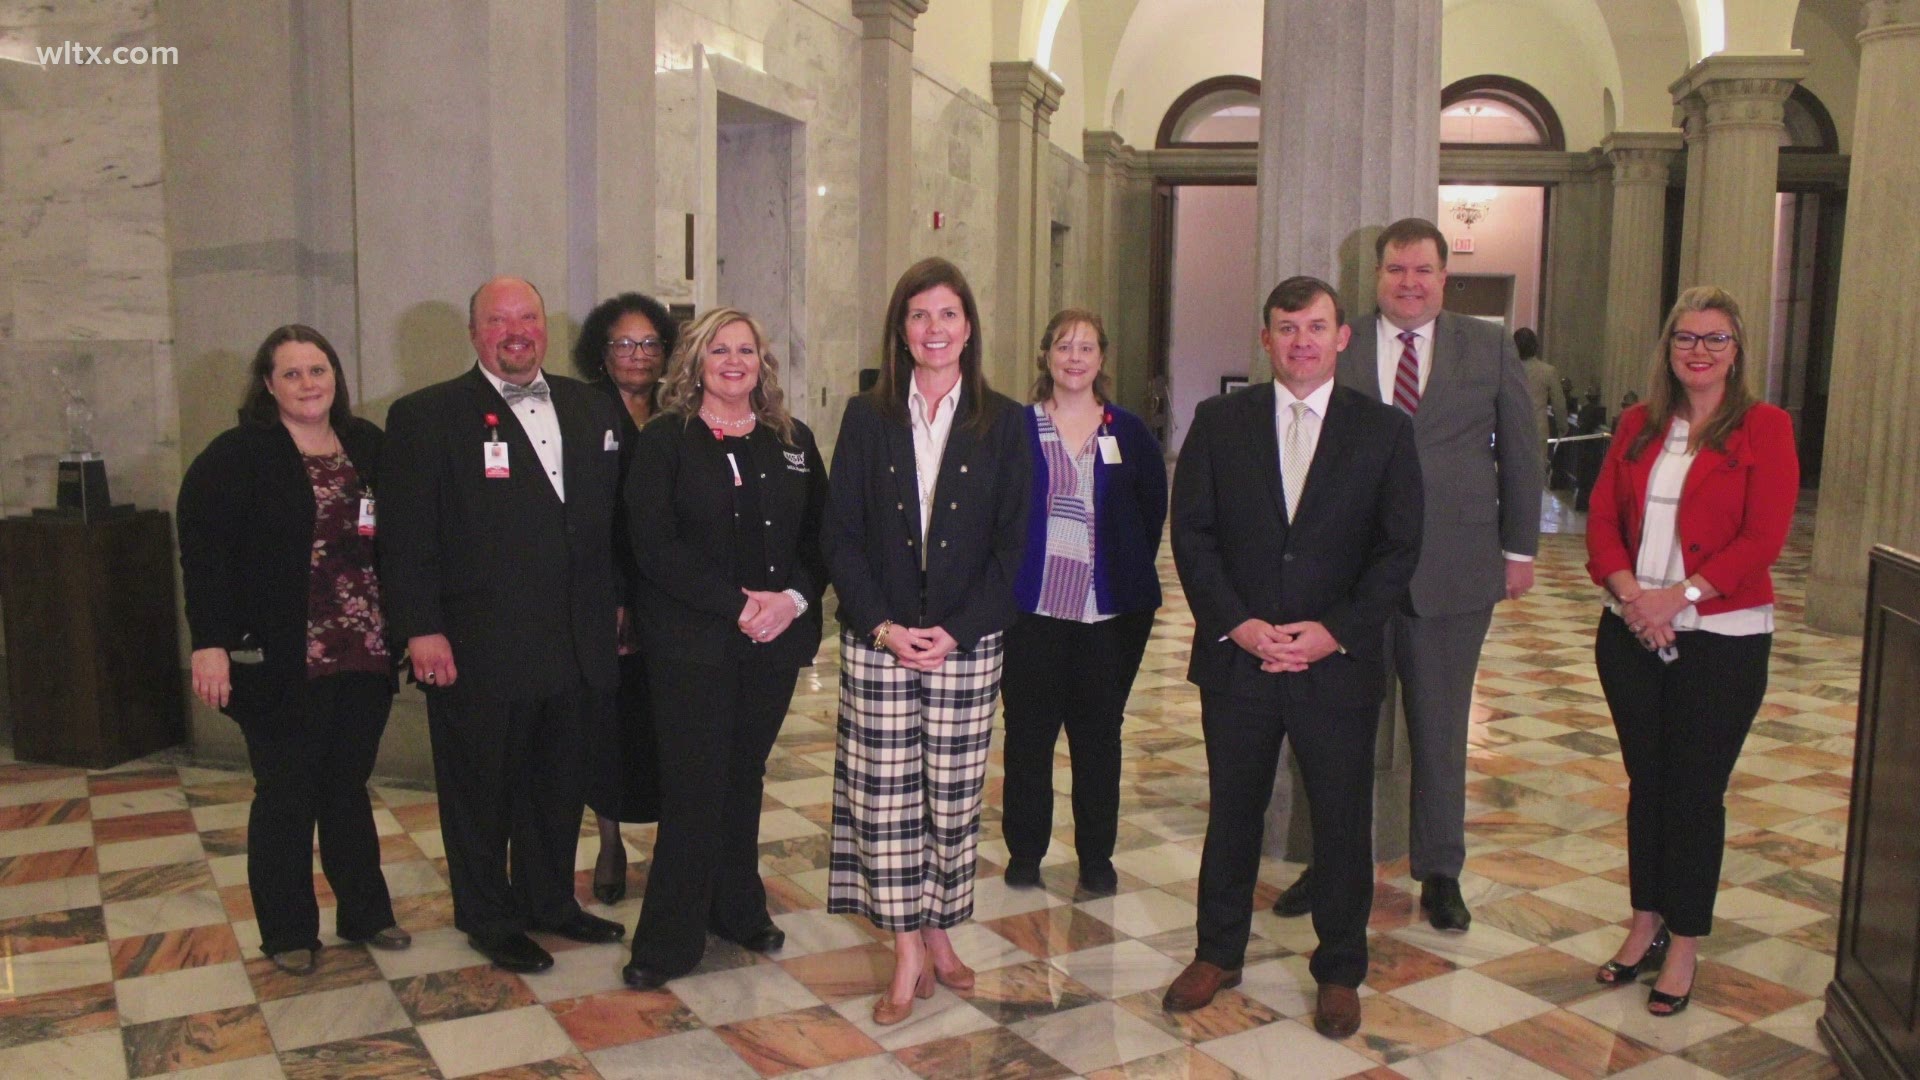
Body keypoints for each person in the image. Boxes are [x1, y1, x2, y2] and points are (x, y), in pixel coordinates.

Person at [1166, 277, 1422, 1038]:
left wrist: (1333, 631)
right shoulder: (1219, 422)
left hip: (1335, 663)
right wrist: (1239, 625)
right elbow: (1194, 536)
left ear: (1343, 337)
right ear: (1267, 338)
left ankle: (1340, 969)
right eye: (1287, 328)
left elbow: (1397, 548)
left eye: (1316, 327)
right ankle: (1218, 953)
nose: (1302, 341)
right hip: (1239, 660)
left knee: (1342, 823)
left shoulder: (1383, 432)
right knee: (1234, 814)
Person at [1276, 218, 1541, 931]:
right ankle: (1326, 861)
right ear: (1378, 275)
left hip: (1453, 573)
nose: (1409, 283)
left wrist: (1521, 550)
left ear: (1443, 276)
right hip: (1350, 576)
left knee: (1441, 727)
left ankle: (1441, 871)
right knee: (1334, 730)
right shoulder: (1342, 341)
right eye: (1396, 270)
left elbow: (1521, 450)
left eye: (1423, 270)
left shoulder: (1485, 345)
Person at [380, 277, 628, 973]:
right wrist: (420, 628)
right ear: (474, 332)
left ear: (545, 328)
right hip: (478, 645)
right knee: (481, 790)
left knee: (558, 785)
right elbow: (404, 538)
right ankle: (489, 916)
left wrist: (619, 608)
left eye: (527, 317)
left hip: (576, 643)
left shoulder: (592, 408)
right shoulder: (426, 417)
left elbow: (608, 524)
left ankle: (550, 903)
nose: (514, 330)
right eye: (498, 319)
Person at [826, 257, 1031, 1026]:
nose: (934, 329)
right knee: (884, 801)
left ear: (968, 327)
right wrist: (881, 624)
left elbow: (1016, 542)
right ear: (900, 330)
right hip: (878, 640)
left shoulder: (1005, 421)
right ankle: (906, 946)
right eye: (919, 316)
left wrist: (958, 628)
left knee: (949, 799)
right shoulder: (865, 415)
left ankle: (941, 926)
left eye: (948, 314)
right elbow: (840, 535)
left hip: (965, 643)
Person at [1585, 286, 1798, 1016]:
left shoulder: (1765, 428)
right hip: (1630, 630)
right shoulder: (1640, 425)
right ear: (1668, 347)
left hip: (1723, 639)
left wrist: (1678, 597)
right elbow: (1602, 521)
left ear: (1737, 351)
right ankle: (1643, 922)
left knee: (1694, 792)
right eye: (1686, 338)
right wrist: (1631, 596)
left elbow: (1763, 537)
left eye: (1715, 339)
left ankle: (1684, 943)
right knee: (1648, 784)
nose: (1699, 351)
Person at [178, 325, 410, 975]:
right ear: (268, 385)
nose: (309, 384)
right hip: (280, 655)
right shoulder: (236, 455)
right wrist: (210, 644)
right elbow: (206, 559)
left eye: (319, 370)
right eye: (292, 373)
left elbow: (401, 537)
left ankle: (365, 912)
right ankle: (286, 931)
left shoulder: (368, 444)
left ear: (336, 376)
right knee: (286, 792)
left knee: (345, 785)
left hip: (362, 647)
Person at [620, 308, 829, 988]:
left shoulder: (793, 440)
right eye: (719, 350)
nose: (734, 361)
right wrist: (739, 605)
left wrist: (791, 601)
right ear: (696, 363)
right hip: (693, 644)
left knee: (744, 776)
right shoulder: (665, 439)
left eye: (746, 349)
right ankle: (668, 941)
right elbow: (653, 546)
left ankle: (737, 908)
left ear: (762, 362)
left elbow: (822, 539)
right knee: (695, 784)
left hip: (772, 643)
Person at [1000, 308, 1166, 896]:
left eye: (1087, 347)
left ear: (1102, 359)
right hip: (1031, 612)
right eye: (1064, 346)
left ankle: (1096, 856)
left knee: (1099, 738)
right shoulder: (1014, 429)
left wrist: (1118, 568)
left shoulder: (1129, 432)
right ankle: (1026, 853)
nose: (1075, 357)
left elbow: (1150, 513)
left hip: (1107, 615)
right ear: (1046, 355)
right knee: (1028, 736)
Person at [572, 291, 680, 904]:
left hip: (670, 598)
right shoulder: (581, 412)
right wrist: (611, 592)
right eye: (623, 344)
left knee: (667, 723)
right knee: (607, 725)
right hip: (604, 597)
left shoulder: (681, 411)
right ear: (602, 351)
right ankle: (609, 841)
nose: (637, 355)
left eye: (649, 344)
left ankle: (671, 845)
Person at [1515, 327, 1561, 476]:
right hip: (1537, 429)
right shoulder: (1548, 371)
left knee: (1513, 474)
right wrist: (1562, 427)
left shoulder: (1508, 370)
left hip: (1512, 428)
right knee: (1536, 475)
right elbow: (1559, 404)